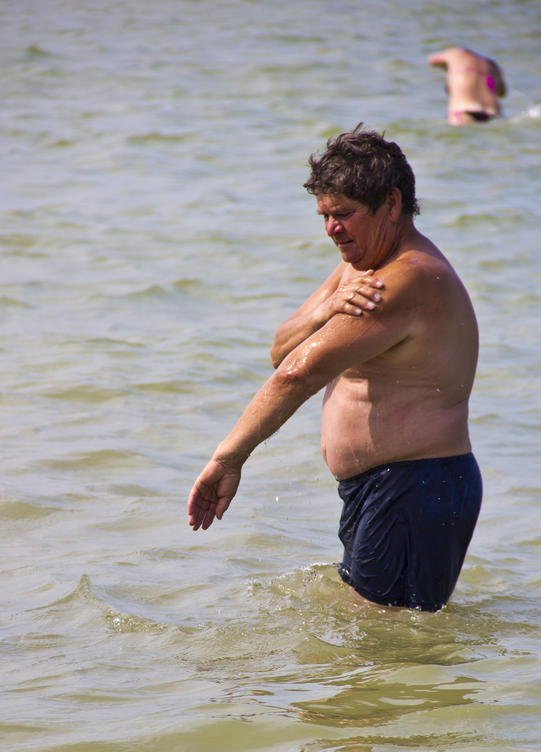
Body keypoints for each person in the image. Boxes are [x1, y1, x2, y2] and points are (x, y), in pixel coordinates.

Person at [187, 128, 482, 611]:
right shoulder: (360, 267)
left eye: (344, 214)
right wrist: (323, 311)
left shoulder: (407, 277)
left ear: (391, 203)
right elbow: (282, 348)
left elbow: (298, 375)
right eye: (324, 215)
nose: (331, 229)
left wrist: (228, 458)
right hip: (384, 489)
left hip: (416, 487)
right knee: (379, 655)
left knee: (383, 656)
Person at [427, 47, 507, 125]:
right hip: (493, 112)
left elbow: (432, 60)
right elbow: (502, 93)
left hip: (464, 111)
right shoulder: (492, 65)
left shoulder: (456, 53)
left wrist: (447, 69)